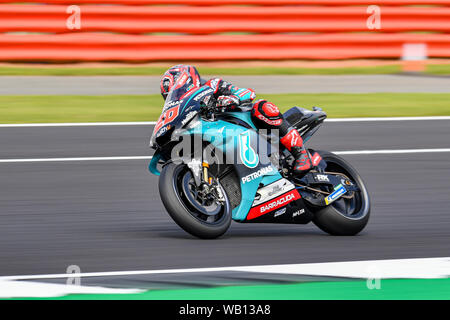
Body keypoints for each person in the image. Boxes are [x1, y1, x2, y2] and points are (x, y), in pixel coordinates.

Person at [160, 65, 312, 176]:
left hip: (247, 125)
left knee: (263, 107)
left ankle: (301, 154)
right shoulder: (190, 112)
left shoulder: (212, 85)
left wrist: (230, 99)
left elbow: (247, 93)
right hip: (222, 139)